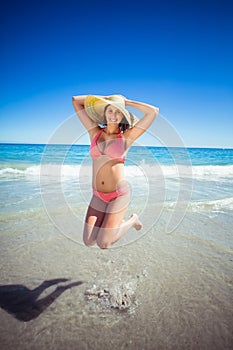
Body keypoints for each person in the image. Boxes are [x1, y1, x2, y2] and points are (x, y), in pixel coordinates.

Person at [72, 94, 159, 249]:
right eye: (110, 111)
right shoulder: (94, 132)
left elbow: (153, 112)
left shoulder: (127, 137)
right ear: (104, 113)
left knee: (103, 243)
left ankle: (132, 220)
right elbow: (75, 101)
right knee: (88, 241)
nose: (113, 115)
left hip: (119, 195)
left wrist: (126, 102)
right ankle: (120, 222)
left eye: (118, 112)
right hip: (97, 195)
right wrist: (107, 99)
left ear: (122, 116)